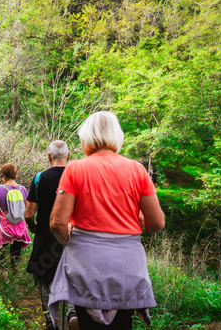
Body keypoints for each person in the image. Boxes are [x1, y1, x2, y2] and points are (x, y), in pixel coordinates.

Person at [48, 111, 165, 330]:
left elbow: (57, 223)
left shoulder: (75, 168)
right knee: (122, 324)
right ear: (117, 136)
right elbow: (156, 223)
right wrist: (140, 221)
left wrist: (67, 239)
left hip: (86, 264)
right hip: (126, 265)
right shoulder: (138, 170)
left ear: (86, 137)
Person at [25, 140, 78, 330]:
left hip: (46, 237)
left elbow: (29, 214)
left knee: (45, 276)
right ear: (69, 157)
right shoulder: (77, 177)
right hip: (73, 237)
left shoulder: (40, 178)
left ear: (49, 157)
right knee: (72, 275)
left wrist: (33, 226)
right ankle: (72, 312)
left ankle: (51, 320)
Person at [0, 163, 32, 274]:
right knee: (15, 255)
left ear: (3, 175)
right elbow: (27, 209)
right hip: (19, 228)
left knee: (0, 254)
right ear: (15, 174)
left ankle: (4, 277)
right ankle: (15, 274)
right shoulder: (22, 189)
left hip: (4, 229)